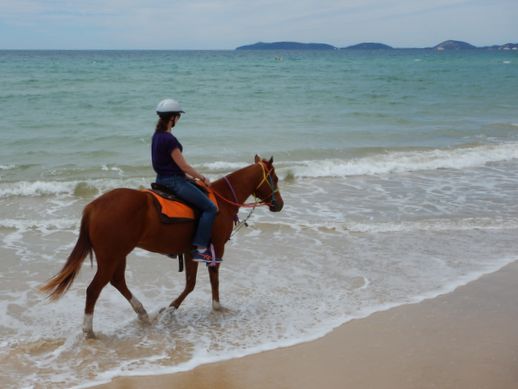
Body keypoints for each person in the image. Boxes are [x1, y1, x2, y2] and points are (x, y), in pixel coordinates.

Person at [151, 98, 217, 262]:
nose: (178, 119)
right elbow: (184, 166)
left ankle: (177, 243)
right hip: (173, 182)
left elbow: (167, 164)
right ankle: (200, 249)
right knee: (210, 209)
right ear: (173, 118)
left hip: (161, 179)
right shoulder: (169, 139)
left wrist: (188, 178)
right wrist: (202, 178)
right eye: (178, 116)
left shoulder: (156, 136)